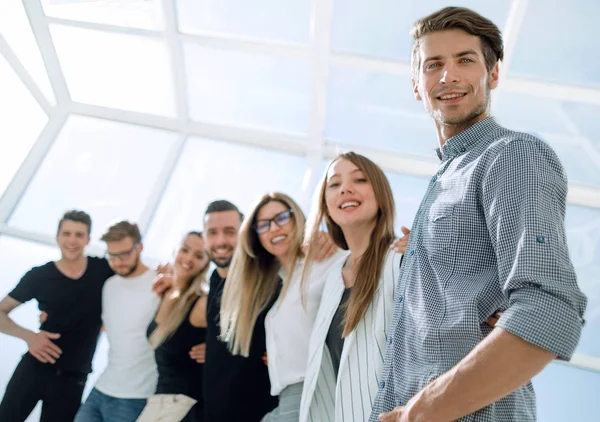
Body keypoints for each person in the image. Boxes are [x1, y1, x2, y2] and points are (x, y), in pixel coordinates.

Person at [372, 7, 588, 422]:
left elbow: (549, 308)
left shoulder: (510, 155)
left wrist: (420, 413)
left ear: (493, 75)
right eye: (433, 65)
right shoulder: (442, 182)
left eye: (465, 60)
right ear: (417, 85)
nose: (448, 76)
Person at [219, 192, 347, 422]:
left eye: (281, 218)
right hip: (286, 399)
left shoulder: (328, 260)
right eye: (263, 225)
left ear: (297, 218)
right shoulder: (277, 283)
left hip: (319, 392)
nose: (274, 229)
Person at [298, 152, 403, 422]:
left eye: (360, 179)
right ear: (325, 202)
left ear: (381, 194)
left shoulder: (403, 257)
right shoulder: (332, 276)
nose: (345, 188)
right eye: (334, 184)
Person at [0, 210, 114, 421]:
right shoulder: (39, 276)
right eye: (67, 233)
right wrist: (29, 336)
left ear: (88, 239)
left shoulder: (103, 270)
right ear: (57, 237)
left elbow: (134, 279)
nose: (72, 240)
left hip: (73, 379)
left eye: (79, 235)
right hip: (34, 369)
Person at [74, 221, 160, 422]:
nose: (118, 261)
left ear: (139, 247)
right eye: (112, 256)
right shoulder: (109, 286)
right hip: (102, 388)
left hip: (137, 396)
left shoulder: (160, 283)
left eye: (124, 254)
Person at [202, 200, 279, 422]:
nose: (220, 241)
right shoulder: (215, 279)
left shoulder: (267, 277)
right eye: (212, 233)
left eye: (229, 232)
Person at [138, 231, 211, 422]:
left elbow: (235, 334)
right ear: (175, 250)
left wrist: (216, 348)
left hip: (184, 405)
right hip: (159, 401)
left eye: (198, 255)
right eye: (185, 250)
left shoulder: (202, 303)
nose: (188, 258)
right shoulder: (167, 293)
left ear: (206, 263)